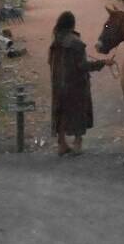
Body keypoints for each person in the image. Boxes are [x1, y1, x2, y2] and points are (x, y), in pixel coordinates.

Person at [48, 11, 112, 156]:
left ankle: (62, 144)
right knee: (78, 112)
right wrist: (103, 63)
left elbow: (50, 62)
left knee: (61, 112)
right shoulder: (76, 43)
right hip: (76, 84)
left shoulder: (55, 41)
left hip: (58, 84)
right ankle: (77, 143)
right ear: (73, 24)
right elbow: (82, 65)